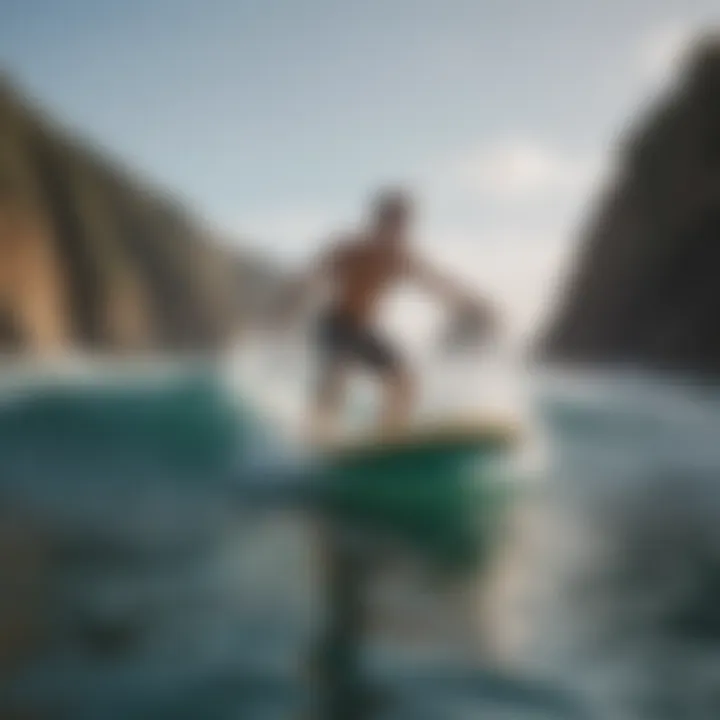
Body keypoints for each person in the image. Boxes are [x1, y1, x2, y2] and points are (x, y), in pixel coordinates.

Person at [280, 188, 499, 442]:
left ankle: (388, 437)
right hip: (335, 323)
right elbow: (311, 276)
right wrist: (288, 308)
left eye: (404, 224)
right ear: (379, 221)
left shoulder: (400, 257)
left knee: (405, 381)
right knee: (337, 376)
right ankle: (315, 436)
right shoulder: (351, 249)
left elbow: (438, 284)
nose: (399, 230)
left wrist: (471, 304)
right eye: (394, 221)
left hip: (363, 329)